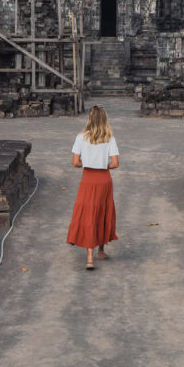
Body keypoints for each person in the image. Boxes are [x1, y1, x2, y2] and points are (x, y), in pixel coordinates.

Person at [66, 105, 119, 270]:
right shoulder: (109, 137)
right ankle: (101, 251)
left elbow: (75, 163)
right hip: (104, 179)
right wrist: (102, 164)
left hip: (88, 179)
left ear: (89, 118)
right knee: (103, 212)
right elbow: (115, 163)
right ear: (104, 119)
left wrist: (87, 163)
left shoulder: (81, 137)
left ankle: (89, 257)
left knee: (89, 213)